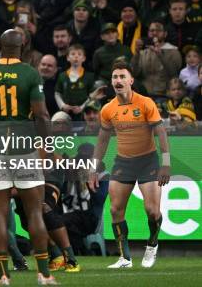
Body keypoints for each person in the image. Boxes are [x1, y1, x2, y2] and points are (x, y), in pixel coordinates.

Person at [0, 29, 56, 285]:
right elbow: (41, 116)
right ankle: (44, 274)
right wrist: (47, 147)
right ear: (23, 46)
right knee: (34, 211)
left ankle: (3, 275)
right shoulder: (30, 73)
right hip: (24, 146)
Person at [89, 60, 170, 269]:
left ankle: (152, 243)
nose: (118, 80)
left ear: (131, 80)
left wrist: (166, 163)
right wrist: (93, 168)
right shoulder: (108, 109)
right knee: (115, 210)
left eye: (122, 76)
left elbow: (160, 131)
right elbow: (103, 139)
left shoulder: (145, 103)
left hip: (148, 161)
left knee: (152, 211)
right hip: (123, 162)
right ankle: (125, 258)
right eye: (115, 77)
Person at [131, 20, 182, 99]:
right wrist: (137, 53)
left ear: (165, 34)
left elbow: (174, 73)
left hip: (164, 96)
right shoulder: (143, 53)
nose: (154, 33)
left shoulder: (173, 51)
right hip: (144, 95)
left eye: (158, 30)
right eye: (152, 30)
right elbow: (135, 73)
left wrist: (160, 55)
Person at [55, 44, 95, 121]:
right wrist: (62, 106)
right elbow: (57, 93)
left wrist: (82, 107)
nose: (76, 56)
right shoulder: (62, 76)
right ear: (67, 58)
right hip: (65, 113)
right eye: (73, 54)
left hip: (83, 113)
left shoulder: (89, 76)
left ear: (84, 58)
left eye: (79, 54)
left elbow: (92, 95)